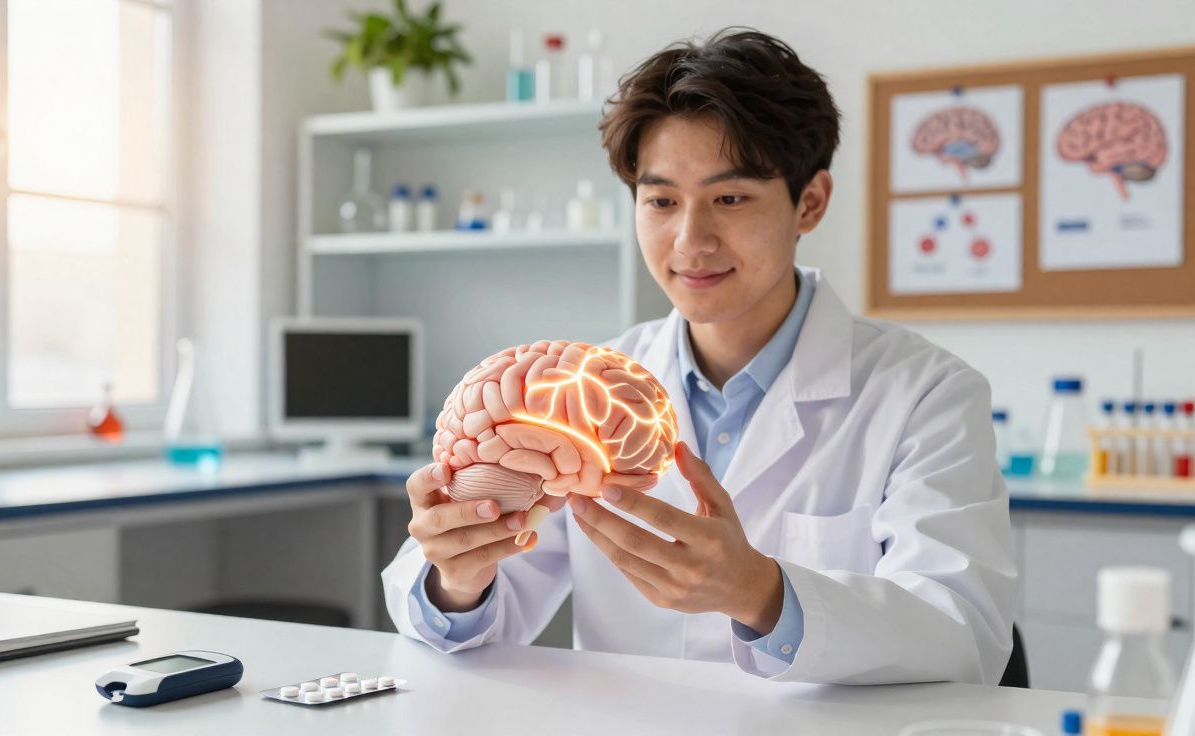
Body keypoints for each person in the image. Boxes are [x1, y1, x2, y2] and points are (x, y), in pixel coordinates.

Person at [382, 28, 1017, 686]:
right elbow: (471, 616)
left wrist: (762, 595)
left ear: (810, 202)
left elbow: (962, 635)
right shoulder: (575, 398)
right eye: (661, 201)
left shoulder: (926, 395)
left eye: (730, 199)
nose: (690, 240)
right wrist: (458, 576)